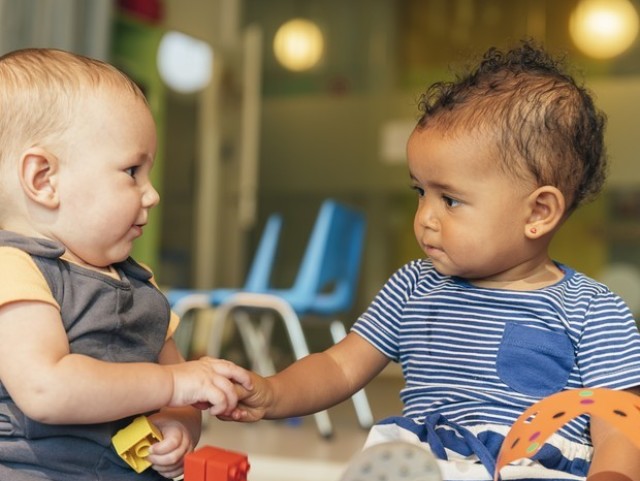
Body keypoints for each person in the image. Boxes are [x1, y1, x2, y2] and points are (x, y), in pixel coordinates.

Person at [226, 41, 640, 481]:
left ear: (537, 213)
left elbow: (619, 424)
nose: (425, 218)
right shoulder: (413, 286)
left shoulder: (593, 311)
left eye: (451, 200)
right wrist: (273, 392)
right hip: (425, 462)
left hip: (532, 465)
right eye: (420, 193)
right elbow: (338, 366)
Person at [0, 48, 252, 481]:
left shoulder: (140, 283)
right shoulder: (14, 269)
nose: (151, 194)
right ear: (44, 179)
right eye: (132, 171)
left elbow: (181, 390)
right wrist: (174, 385)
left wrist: (179, 424)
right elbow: (47, 388)